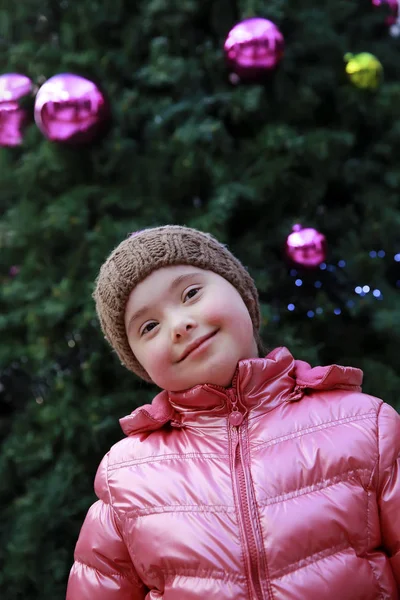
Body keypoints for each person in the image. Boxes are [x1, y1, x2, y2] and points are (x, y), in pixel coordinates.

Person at [66, 225, 400, 600]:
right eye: (149, 326)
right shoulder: (126, 476)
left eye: (191, 293)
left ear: (242, 294)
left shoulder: (365, 425)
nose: (179, 325)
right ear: (139, 363)